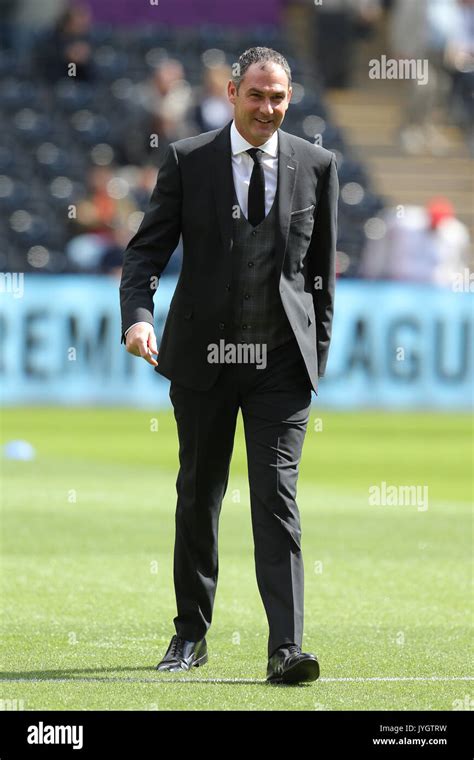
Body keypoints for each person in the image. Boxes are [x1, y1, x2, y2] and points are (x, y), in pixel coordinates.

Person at [119, 47, 339, 684]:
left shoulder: (318, 165)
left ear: (289, 97)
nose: (268, 108)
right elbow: (145, 254)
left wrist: (312, 360)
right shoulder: (189, 161)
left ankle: (286, 648)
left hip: (280, 366)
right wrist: (138, 316)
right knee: (199, 494)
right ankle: (190, 635)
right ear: (232, 91)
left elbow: (321, 276)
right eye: (257, 96)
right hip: (204, 360)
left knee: (276, 498)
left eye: (279, 98)